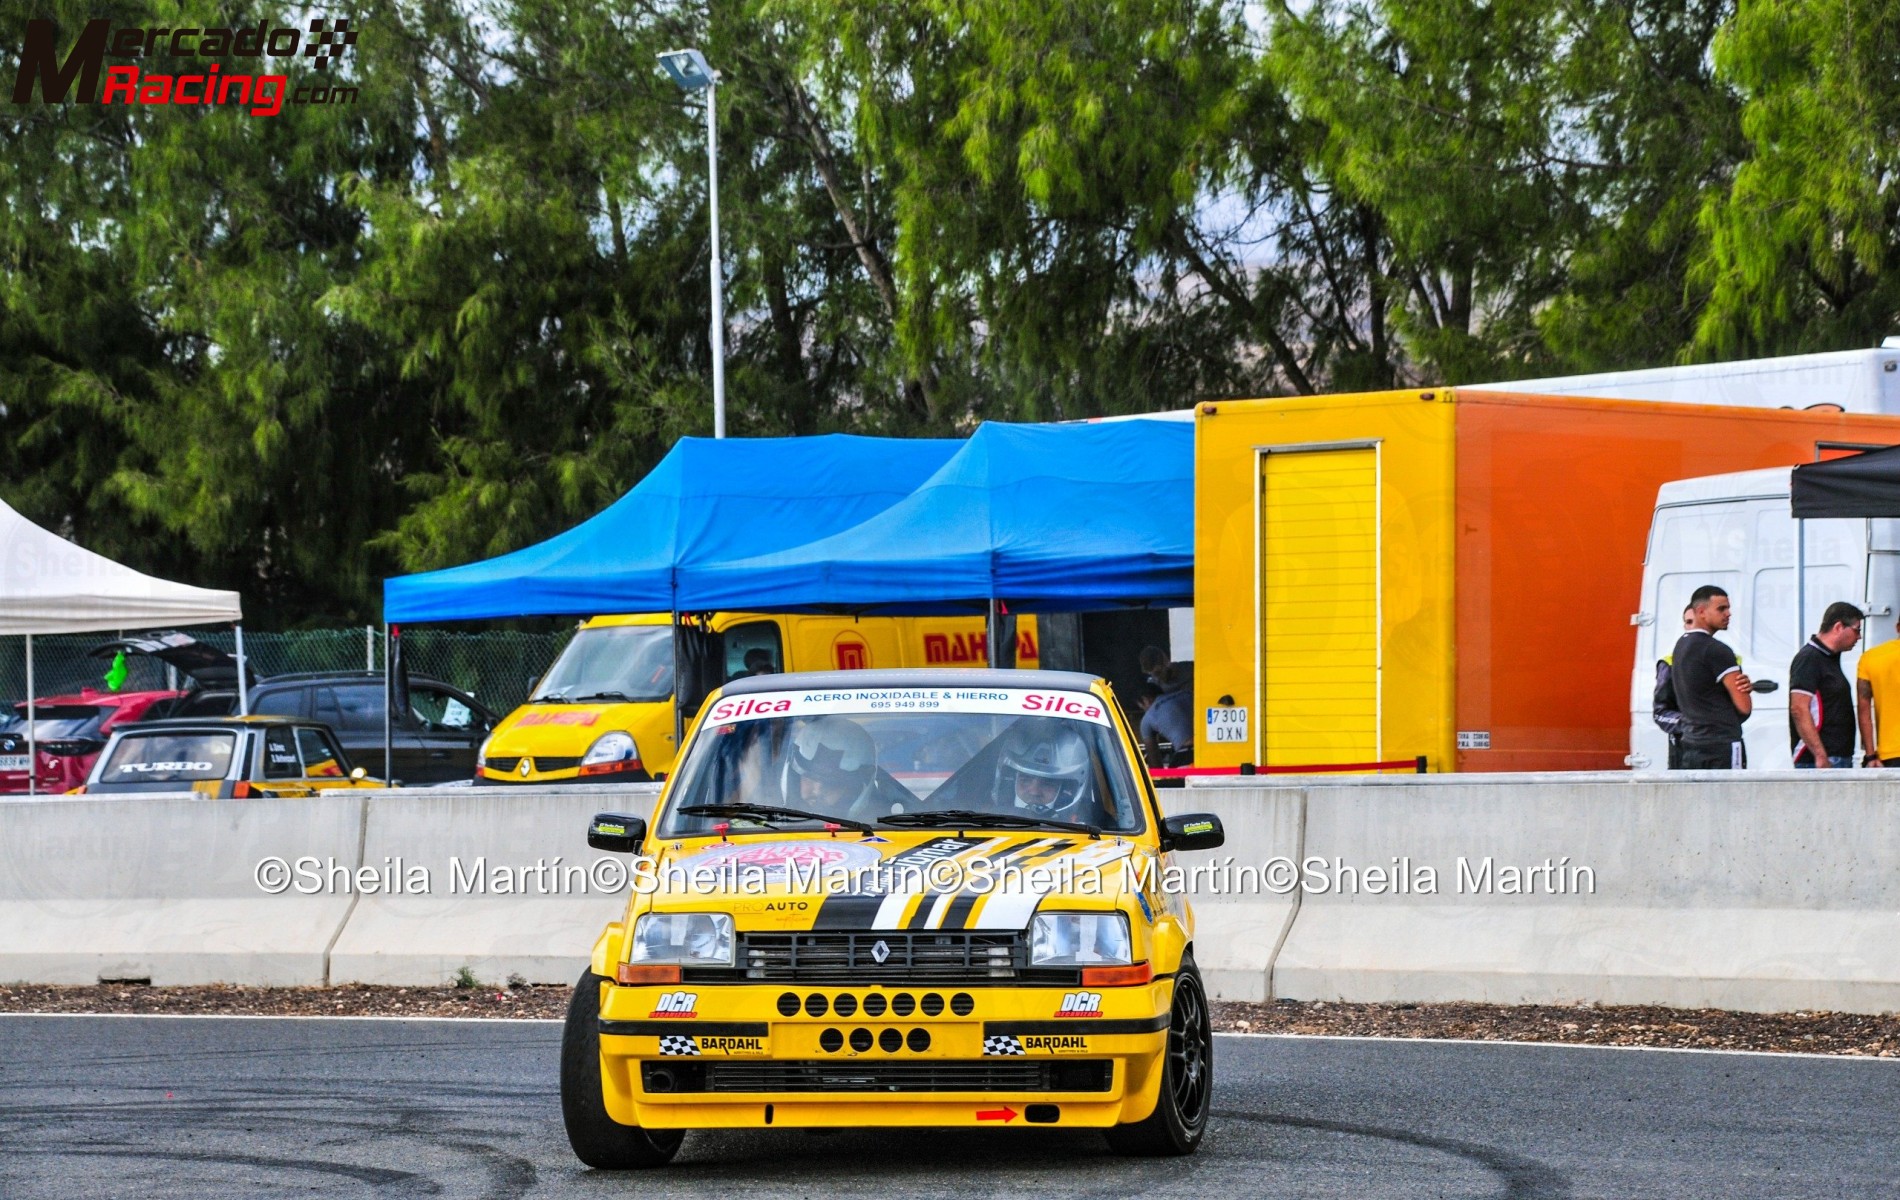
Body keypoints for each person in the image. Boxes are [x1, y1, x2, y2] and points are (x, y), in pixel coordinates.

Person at [1671, 585, 1753, 769]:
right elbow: (1744, 706)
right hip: (1722, 743)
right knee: (1731, 797)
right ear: (1701, 612)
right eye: (1721, 609)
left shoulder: (1680, 647)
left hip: (1691, 741)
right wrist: (1743, 690)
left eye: (1728, 608)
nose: (1729, 614)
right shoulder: (1718, 650)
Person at [1789, 602, 1863, 768]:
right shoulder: (1809, 658)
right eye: (1857, 630)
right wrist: (1820, 755)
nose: (1859, 637)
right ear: (1838, 627)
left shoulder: (1830, 657)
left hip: (1838, 755)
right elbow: (1799, 708)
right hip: (1821, 759)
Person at [994, 720, 1100, 825]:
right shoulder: (982, 815)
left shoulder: (1093, 828)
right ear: (1011, 781)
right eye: (1025, 780)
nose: (1034, 791)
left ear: (1066, 790)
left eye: (1047, 784)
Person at [781, 716, 881, 822]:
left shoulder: (882, 823)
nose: (817, 790)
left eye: (831, 784)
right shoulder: (768, 813)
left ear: (853, 789)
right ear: (794, 777)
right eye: (808, 778)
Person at [1652, 607, 1694, 769]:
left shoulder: (1725, 657)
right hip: (1685, 748)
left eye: (1697, 622)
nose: (1693, 627)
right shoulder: (1670, 663)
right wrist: (1690, 725)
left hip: (1721, 746)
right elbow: (1660, 712)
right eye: (1689, 622)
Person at [1857, 615, 1900, 768]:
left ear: (1897, 628)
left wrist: (1870, 755)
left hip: (1891, 754)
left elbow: (1864, 711)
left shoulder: (1871, 658)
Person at [1138, 681, 1193, 767]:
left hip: (1187, 752)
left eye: (1142, 707)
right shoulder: (1187, 694)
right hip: (1211, 749)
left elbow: (1155, 763)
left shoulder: (1148, 717)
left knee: (1170, 778)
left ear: (1145, 699)